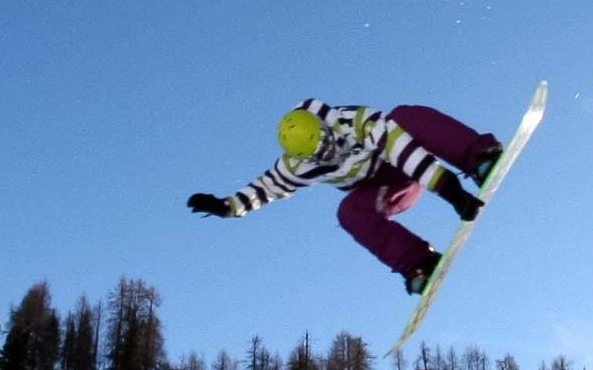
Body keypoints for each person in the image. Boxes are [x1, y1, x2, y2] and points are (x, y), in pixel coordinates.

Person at [188, 100, 503, 294]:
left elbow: (400, 150)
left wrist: (451, 192)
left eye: (326, 144)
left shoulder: (353, 122)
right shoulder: (296, 166)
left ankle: (477, 155)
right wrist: (226, 206)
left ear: (325, 128)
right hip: (387, 193)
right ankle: (419, 263)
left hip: (404, 164)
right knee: (348, 212)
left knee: (404, 116)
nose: (329, 154)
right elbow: (265, 188)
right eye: (319, 155)